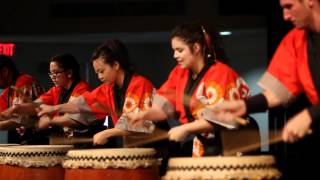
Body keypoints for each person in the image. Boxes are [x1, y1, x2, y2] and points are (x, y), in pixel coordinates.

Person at [130, 23, 251, 157]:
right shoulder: (179, 73)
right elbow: (164, 105)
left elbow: (222, 119)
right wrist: (143, 115)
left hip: (232, 143)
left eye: (180, 50)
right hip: (203, 143)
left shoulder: (220, 73)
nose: (175, 55)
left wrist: (185, 128)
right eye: (174, 50)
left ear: (196, 48)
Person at [213, 0, 320, 143]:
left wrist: (310, 114)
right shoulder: (296, 40)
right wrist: (244, 106)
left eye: (289, 6)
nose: (285, 16)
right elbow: (280, 90)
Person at [37, 40, 155, 146]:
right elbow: (81, 104)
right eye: (97, 73)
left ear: (115, 65)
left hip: (154, 147)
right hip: (134, 149)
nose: (99, 77)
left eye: (101, 71)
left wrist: (107, 133)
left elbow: (137, 125)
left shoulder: (139, 84)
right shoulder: (107, 89)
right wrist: (53, 109)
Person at [2, 54, 92, 139]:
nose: (52, 77)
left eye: (56, 73)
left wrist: (50, 121)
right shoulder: (56, 90)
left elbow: (74, 119)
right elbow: (36, 106)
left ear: (69, 73)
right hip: (64, 141)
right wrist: (15, 109)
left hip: (81, 142)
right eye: (51, 73)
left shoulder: (82, 89)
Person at [0, 55, 45, 143]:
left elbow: (22, 120)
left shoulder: (25, 82)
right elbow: (2, 115)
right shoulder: (8, 91)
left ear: (5, 71)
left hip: (36, 142)